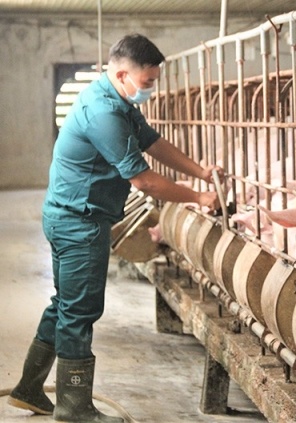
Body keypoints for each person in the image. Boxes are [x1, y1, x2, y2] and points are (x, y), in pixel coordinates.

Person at [8, 34, 222, 423]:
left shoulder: (118, 101)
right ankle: (74, 407)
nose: (150, 89)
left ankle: (29, 388)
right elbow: (144, 180)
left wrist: (201, 171)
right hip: (80, 222)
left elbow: (153, 143)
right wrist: (198, 197)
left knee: (64, 304)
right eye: (147, 82)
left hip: (71, 215)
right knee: (80, 311)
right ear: (123, 74)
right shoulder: (103, 112)